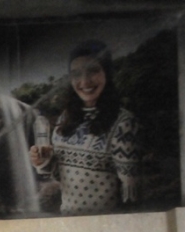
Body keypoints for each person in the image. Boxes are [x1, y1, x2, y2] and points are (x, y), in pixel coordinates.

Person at [29, 39, 141, 216]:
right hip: (68, 220)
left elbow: (130, 191)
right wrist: (43, 161)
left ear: (107, 73)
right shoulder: (66, 117)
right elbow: (60, 175)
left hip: (105, 225)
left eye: (93, 71)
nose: (85, 81)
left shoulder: (123, 122)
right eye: (76, 74)